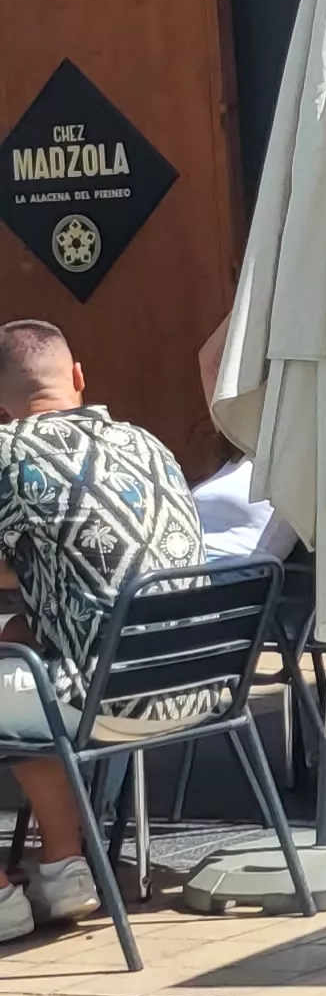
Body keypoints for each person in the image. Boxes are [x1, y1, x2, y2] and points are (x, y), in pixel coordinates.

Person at [0, 320, 206, 940]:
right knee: (16, 651)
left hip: (104, 697)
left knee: (15, 680)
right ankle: (64, 870)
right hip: (200, 682)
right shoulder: (147, 443)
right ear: (80, 378)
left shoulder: (10, 452)